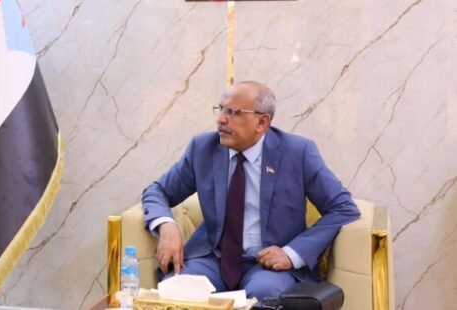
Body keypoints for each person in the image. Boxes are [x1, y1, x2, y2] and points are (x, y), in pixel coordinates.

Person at [142, 81, 359, 298]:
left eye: (233, 112)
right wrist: (167, 226)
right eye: (221, 109)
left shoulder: (297, 153)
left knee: (265, 294)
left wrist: (292, 254)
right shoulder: (203, 148)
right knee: (177, 291)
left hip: (269, 266)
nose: (221, 119)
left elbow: (342, 208)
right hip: (213, 259)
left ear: (261, 122)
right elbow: (157, 191)